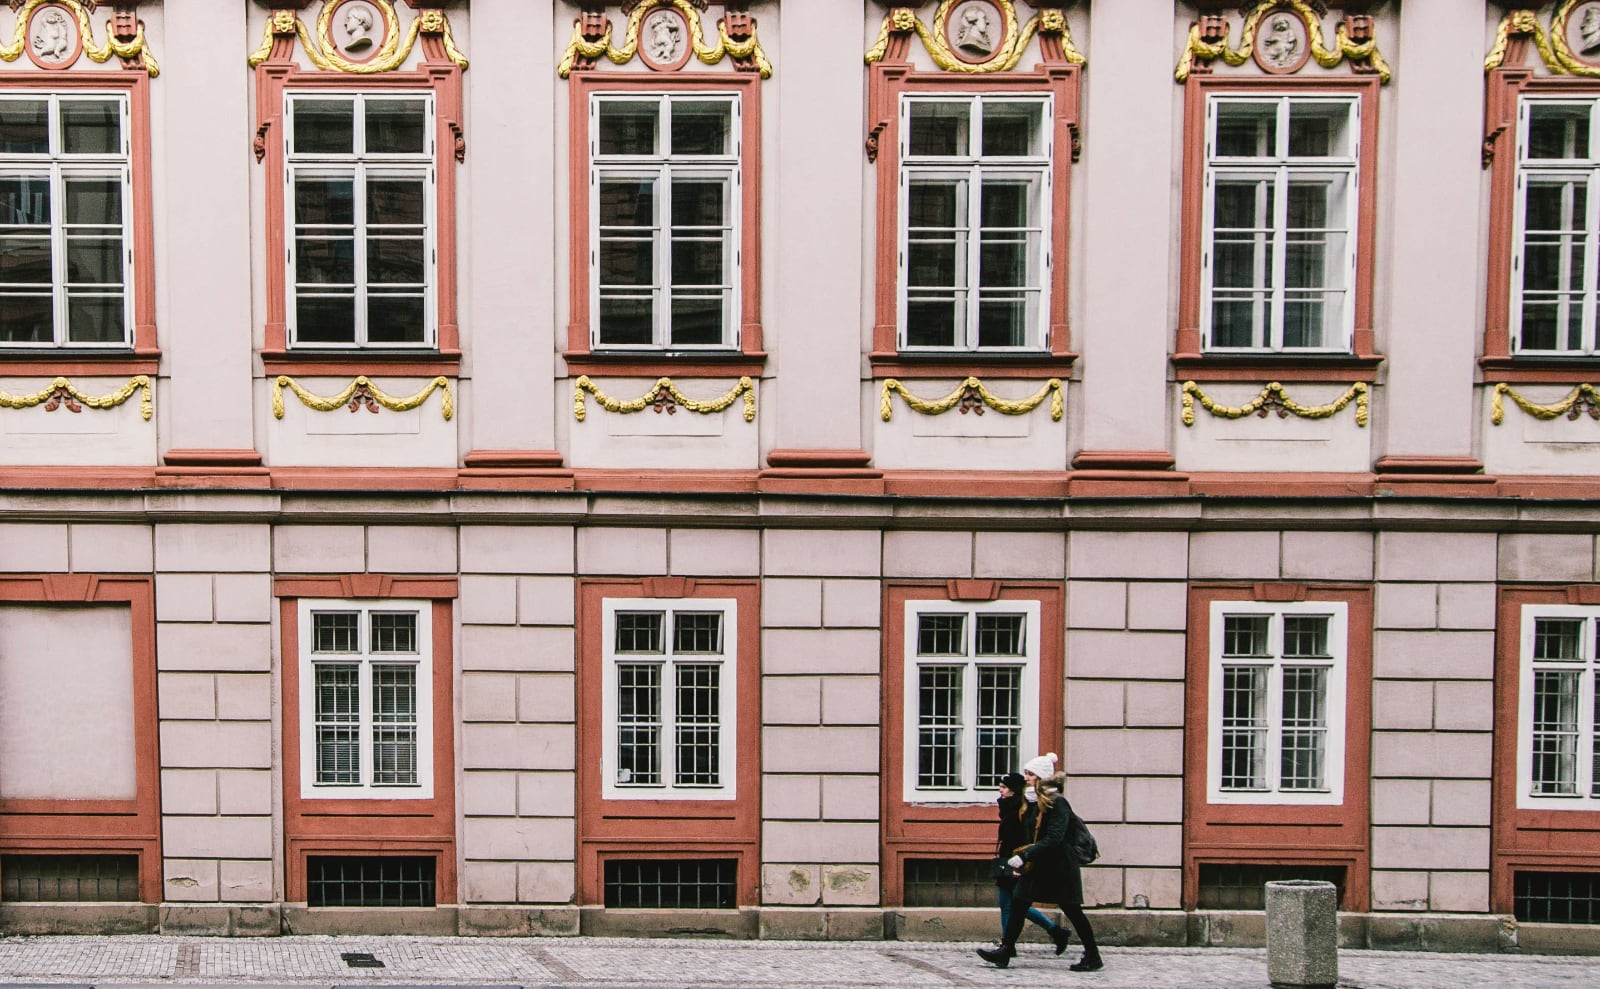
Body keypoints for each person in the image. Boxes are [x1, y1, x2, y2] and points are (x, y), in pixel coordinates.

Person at [977, 753, 1103, 972]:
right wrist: (1021, 860)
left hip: (1060, 866)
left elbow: (1054, 838)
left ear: (1042, 778)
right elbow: (1027, 835)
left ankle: (1093, 954)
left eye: (1030, 774)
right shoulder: (1031, 803)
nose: (1026, 778)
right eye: (1026, 773)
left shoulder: (1058, 803)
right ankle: (1006, 950)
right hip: (1039, 865)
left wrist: (1024, 856)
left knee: (1072, 910)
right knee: (1018, 903)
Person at [993, 771, 1072, 953]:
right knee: (1013, 904)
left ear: (1013, 790)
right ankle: (1055, 932)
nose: (1001, 791)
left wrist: (1021, 860)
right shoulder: (1009, 806)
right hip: (1009, 858)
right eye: (1000, 788)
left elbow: (1026, 836)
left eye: (1004, 788)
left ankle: (1008, 945)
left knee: (1012, 904)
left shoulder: (1020, 808)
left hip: (1017, 860)